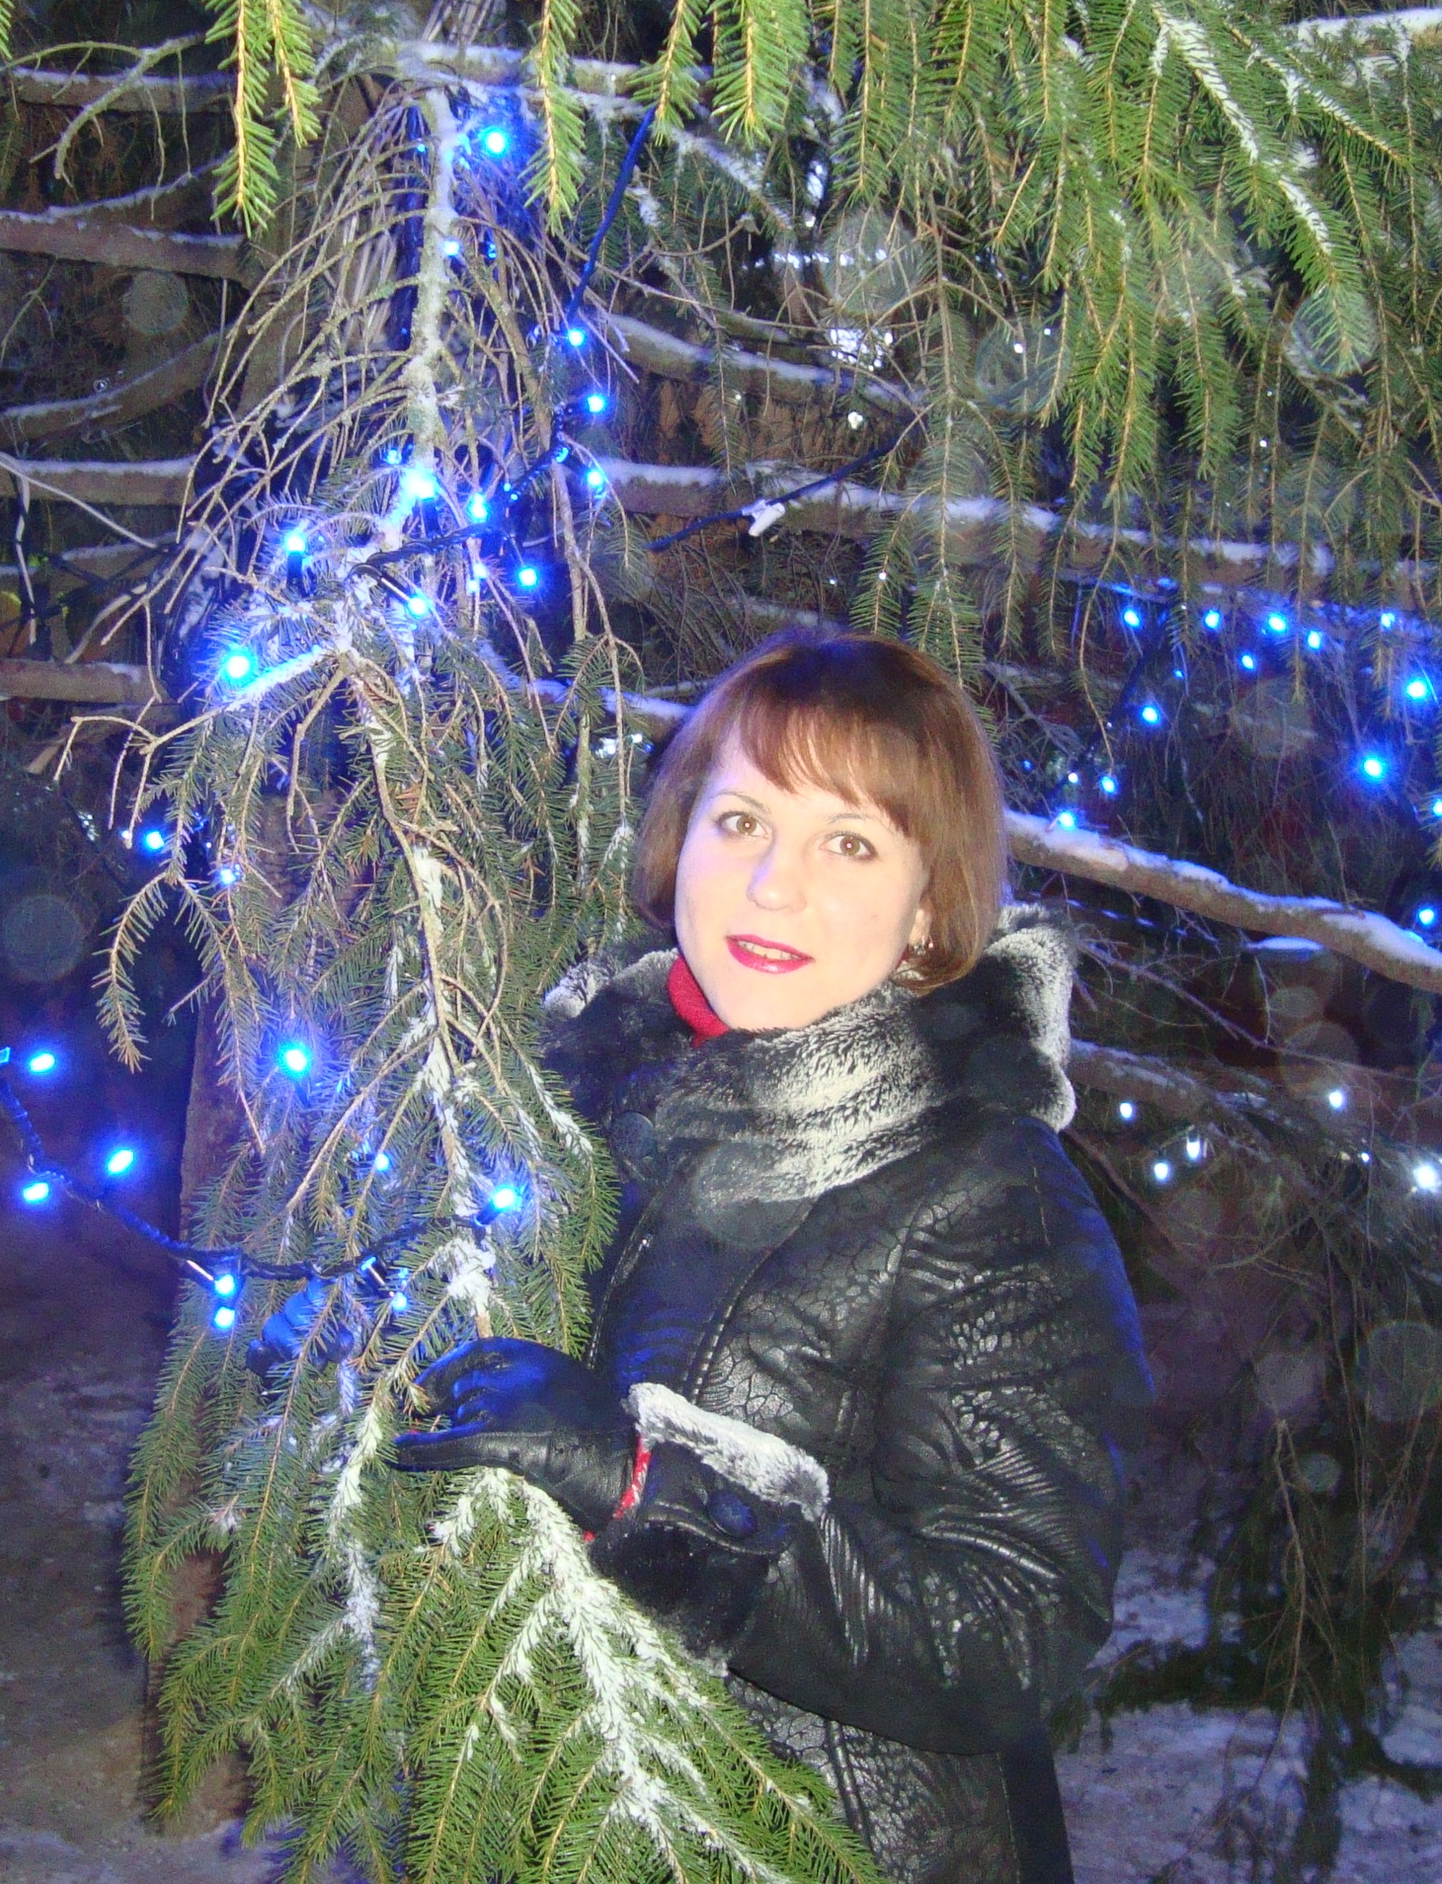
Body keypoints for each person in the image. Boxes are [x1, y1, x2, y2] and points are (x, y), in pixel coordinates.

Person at [392, 630, 1152, 1884]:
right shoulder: (599, 1113)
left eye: (848, 844)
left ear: (928, 908)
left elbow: (1010, 1641)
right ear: (680, 838)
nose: (769, 885)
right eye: (741, 821)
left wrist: (644, 1490)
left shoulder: (988, 1189)